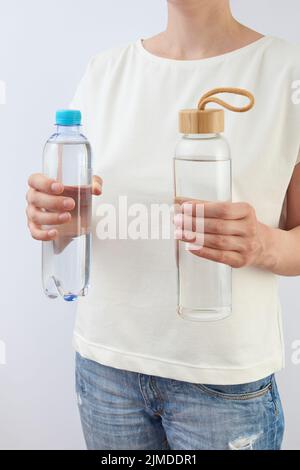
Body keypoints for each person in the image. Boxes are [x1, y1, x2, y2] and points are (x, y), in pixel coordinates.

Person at [26, 0, 300, 450]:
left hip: (222, 383)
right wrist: (53, 217)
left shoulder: (287, 71)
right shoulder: (105, 71)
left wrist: (263, 244)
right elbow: (76, 218)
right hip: (105, 371)